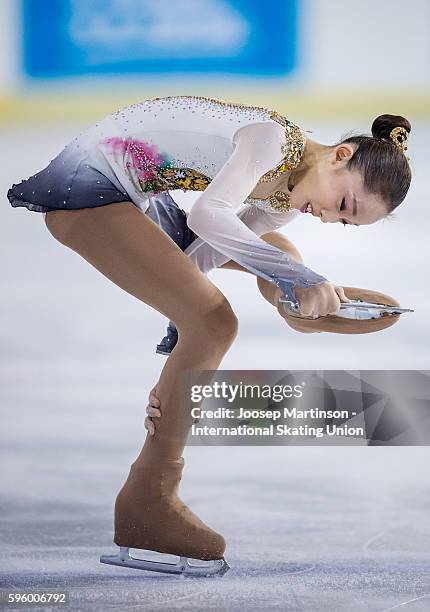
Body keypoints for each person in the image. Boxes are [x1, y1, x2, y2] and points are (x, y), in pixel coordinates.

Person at [7, 96, 412, 575]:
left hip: (135, 195)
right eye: (342, 204)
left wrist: (181, 349)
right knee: (217, 321)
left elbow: (201, 255)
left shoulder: (285, 200)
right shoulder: (272, 141)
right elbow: (207, 217)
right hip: (91, 187)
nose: (329, 217)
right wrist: (203, 331)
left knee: (266, 251)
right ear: (341, 155)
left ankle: (290, 303)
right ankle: (149, 498)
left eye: (344, 221)